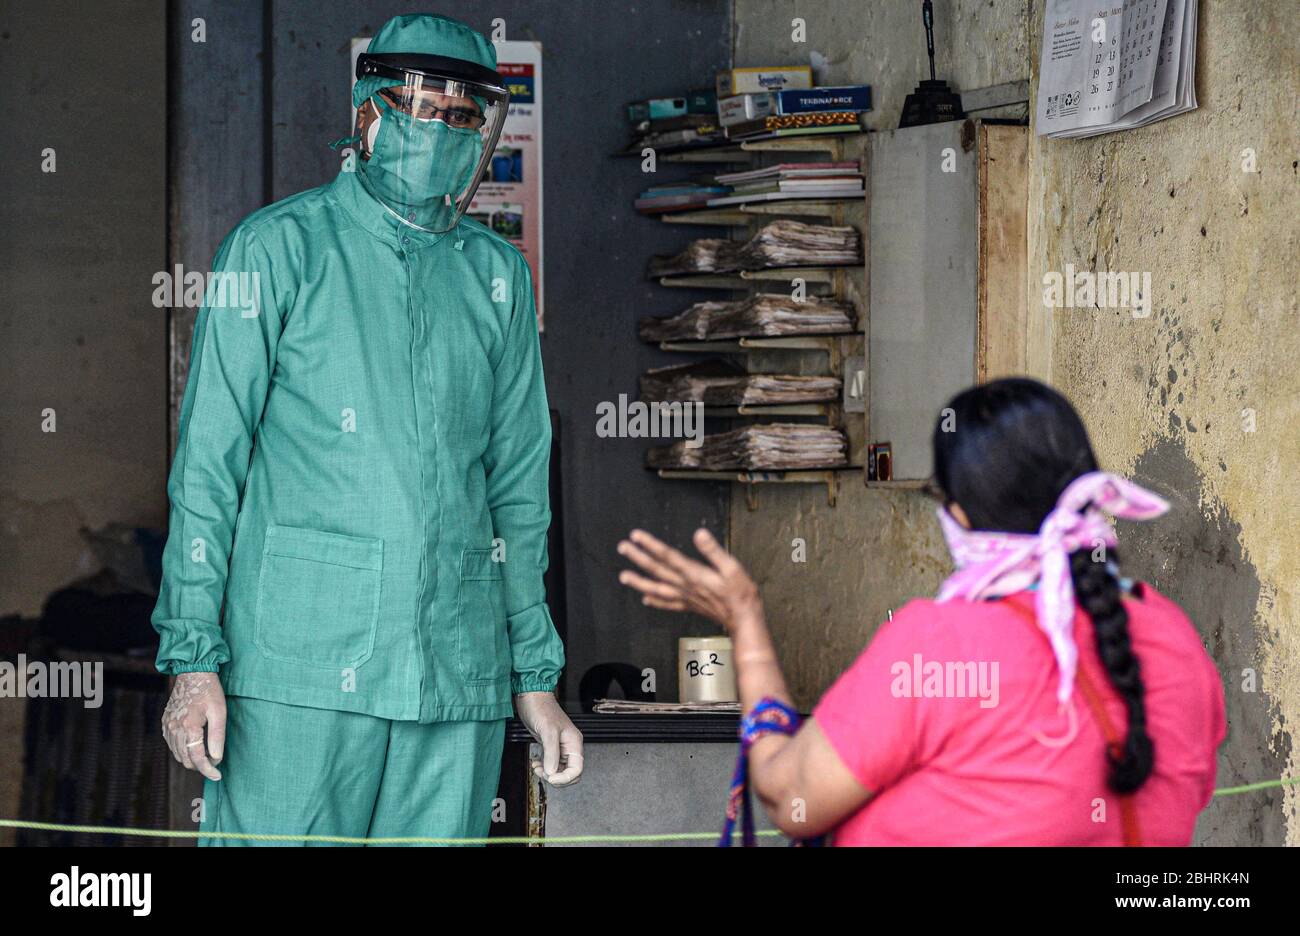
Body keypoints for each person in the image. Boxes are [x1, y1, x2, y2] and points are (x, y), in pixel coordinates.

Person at [154, 13, 581, 846]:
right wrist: (193, 658)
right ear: (367, 113)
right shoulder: (276, 250)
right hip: (300, 669)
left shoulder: (497, 277)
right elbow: (208, 467)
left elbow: (518, 490)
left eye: (464, 115)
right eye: (423, 107)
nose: (443, 129)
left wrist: (532, 677)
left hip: (455, 674)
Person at [618, 378, 1226, 845]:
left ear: (958, 513)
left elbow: (788, 796)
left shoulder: (943, 643)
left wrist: (745, 622)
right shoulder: (1172, 634)